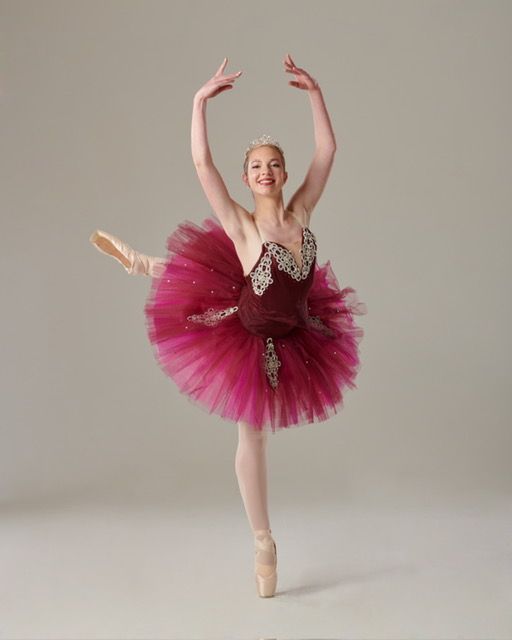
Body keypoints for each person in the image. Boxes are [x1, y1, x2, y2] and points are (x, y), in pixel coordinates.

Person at [89, 54, 367, 598]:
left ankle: (148, 264)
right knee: (253, 433)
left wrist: (315, 93)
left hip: (298, 328)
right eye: (256, 166)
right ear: (247, 178)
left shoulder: (301, 213)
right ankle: (263, 541)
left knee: (219, 279)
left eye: (274, 164)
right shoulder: (242, 224)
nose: (266, 171)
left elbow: (328, 152)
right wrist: (199, 103)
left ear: (285, 174)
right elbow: (202, 166)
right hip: (251, 334)